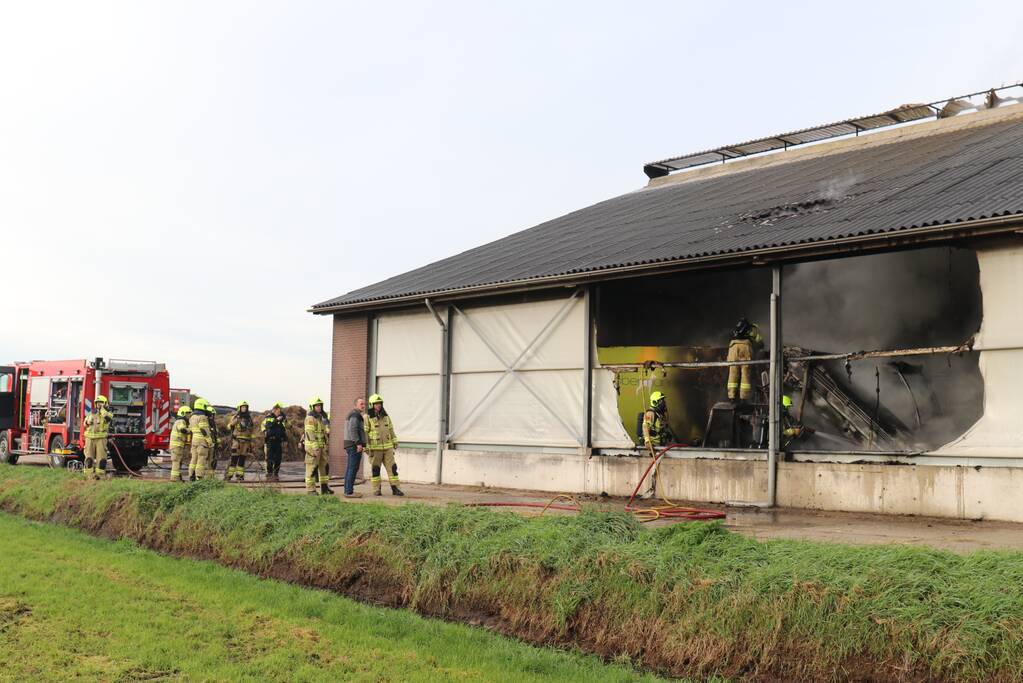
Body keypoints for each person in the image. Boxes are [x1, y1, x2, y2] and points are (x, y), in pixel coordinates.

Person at [364, 394, 403, 497]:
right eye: (376, 404)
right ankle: (376, 490)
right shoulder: (367, 417)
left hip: (388, 448)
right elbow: (365, 433)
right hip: (374, 449)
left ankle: (396, 489)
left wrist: (395, 441)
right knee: (376, 470)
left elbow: (391, 429)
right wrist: (366, 447)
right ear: (372, 405)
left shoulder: (386, 416)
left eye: (380, 403)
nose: (378, 405)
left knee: (393, 468)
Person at [726, 317, 764, 401]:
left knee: (733, 372)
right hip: (745, 347)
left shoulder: (736, 329)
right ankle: (743, 397)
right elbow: (759, 342)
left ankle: (732, 396)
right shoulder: (753, 329)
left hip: (733, 347)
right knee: (745, 373)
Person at [303, 397, 332, 495]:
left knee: (324, 467)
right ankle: (311, 490)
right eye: (317, 406)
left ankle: (324, 488)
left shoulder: (320, 418)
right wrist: (315, 447)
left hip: (322, 448)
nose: (319, 407)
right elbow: (310, 433)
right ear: (312, 407)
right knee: (311, 468)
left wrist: (326, 446)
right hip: (313, 449)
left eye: (320, 406)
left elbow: (323, 434)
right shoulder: (310, 418)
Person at [82, 394, 113, 480]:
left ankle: (100, 476)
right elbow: (85, 423)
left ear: (105, 403)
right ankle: (89, 477)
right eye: (97, 403)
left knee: (101, 460)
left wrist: (102, 409)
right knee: (88, 459)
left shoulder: (108, 413)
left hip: (101, 439)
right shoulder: (92, 413)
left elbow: (108, 418)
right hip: (89, 438)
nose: (98, 405)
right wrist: (88, 422)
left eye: (101, 403)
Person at [342, 398, 367, 498]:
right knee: (353, 468)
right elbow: (353, 429)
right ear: (355, 405)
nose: (363, 406)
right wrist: (358, 443)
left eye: (364, 404)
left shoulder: (355, 414)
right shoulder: (355, 415)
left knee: (350, 468)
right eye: (361, 404)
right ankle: (349, 492)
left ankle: (347, 490)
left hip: (351, 444)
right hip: (353, 445)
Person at [226, 400, 254, 482]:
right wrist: (234, 422)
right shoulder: (236, 417)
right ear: (239, 408)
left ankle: (240, 476)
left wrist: (251, 442)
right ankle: (228, 476)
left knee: (242, 460)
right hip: (237, 442)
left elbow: (251, 430)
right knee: (234, 459)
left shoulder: (249, 418)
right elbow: (229, 426)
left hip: (246, 442)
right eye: (243, 407)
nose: (244, 409)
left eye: (245, 407)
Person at [188, 398, 214, 481]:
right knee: (201, 459)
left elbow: (190, 429)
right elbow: (204, 430)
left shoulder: (192, 417)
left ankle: (191, 475)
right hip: (202, 442)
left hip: (194, 441)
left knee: (194, 459)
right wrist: (210, 441)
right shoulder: (202, 417)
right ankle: (199, 477)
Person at [261, 403, 287, 481]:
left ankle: (276, 474)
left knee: (278, 459)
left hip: (278, 441)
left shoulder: (282, 419)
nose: (279, 412)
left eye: (280, 411)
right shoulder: (269, 417)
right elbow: (269, 426)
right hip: (270, 440)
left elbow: (283, 430)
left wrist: (285, 439)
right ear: (274, 410)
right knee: (270, 458)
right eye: (278, 410)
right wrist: (276, 420)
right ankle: (269, 474)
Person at [168, 405, 192, 482]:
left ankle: (178, 477)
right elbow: (182, 430)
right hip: (176, 445)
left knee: (178, 461)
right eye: (187, 413)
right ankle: (174, 479)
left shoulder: (181, 421)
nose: (189, 415)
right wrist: (190, 430)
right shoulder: (181, 421)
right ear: (182, 413)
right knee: (176, 461)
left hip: (178, 445)